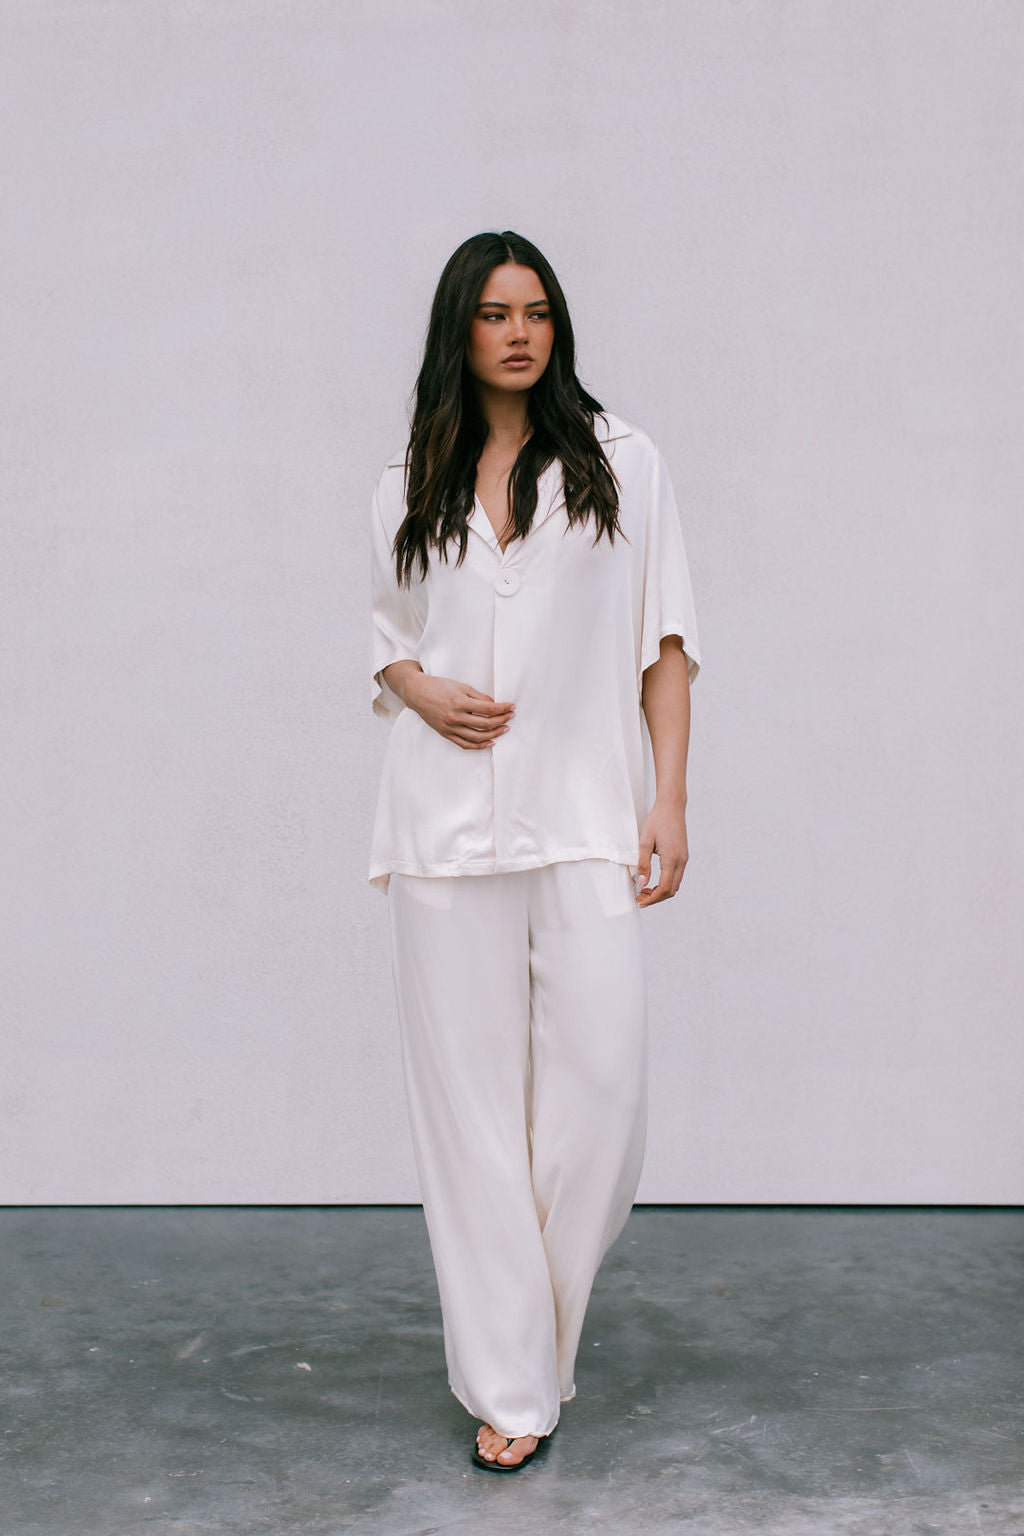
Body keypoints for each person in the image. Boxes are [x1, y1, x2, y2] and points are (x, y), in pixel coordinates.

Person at [367, 230, 701, 1471]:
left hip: (585, 817)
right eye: (495, 313)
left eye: (539, 311)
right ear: (460, 329)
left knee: (600, 1099)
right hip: (440, 829)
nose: (519, 332)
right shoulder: (416, 467)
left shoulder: (623, 461)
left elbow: (664, 641)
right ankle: (512, 1382)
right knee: (467, 1119)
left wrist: (668, 800)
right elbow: (382, 632)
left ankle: (536, 1343)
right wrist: (418, 689)